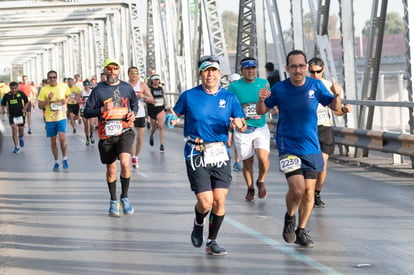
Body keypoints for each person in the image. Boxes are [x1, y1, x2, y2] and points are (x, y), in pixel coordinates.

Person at [256, 49, 342, 247]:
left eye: (301, 66)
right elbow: (262, 111)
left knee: (309, 193)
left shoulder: (316, 85)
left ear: (306, 67)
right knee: (297, 189)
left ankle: (301, 230)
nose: (298, 70)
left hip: (311, 146)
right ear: (287, 68)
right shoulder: (279, 89)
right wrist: (261, 99)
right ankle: (290, 216)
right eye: (293, 66)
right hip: (288, 145)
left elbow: (335, 107)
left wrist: (337, 96)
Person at [168, 55, 246, 256]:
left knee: (219, 200)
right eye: (206, 70)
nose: (210, 74)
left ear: (219, 74)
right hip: (196, 151)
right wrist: (169, 119)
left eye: (213, 70)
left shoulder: (229, 97)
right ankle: (198, 221)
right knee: (206, 202)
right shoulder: (189, 96)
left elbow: (242, 123)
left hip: (219, 151)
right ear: (200, 73)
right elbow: (174, 114)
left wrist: (239, 124)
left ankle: (212, 241)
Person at [83, 58, 138, 217]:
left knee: (126, 164)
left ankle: (125, 197)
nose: (112, 71)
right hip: (106, 134)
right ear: (105, 71)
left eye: (115, 68)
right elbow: (86, 112)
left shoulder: (126, 88)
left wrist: (132, 113)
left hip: (125, 131)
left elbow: (134, 103)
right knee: (112, 168)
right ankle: (114, 200)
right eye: (109, 69)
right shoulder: (98, 91)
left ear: (119, 71)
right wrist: (102, 109)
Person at [308, 57, 352, 208]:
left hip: (324, 128)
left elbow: (337, 112)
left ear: (323, 70)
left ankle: (316, 194)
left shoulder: (330, 87)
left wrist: (344, 109)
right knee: (310, 165)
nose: (315, 75)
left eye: (318, 72)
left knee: (322, 165)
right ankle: (308, 192)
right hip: (308, 129)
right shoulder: (303, 86)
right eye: (311, 72)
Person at [227, 57, 270, 202]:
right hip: (243, 129)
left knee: (263, 159)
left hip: (260, 127)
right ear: (242, 70)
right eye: (247, 68)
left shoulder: (264, 84)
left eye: (253, 68)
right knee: (248, 162)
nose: (251, 71)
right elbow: (230, 106)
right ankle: (251, 188)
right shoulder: (234, 87)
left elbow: (268, 104)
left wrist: (262, 108)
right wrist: (237, 119)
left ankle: (261, 181)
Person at [38, 70, 72, 172]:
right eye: (50, 78)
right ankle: (56, 161)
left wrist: (65, 101)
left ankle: (65, 158)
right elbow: (40, 106)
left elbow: (68, 95)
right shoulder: (44, 89)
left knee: (62, 136)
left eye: (54, 77)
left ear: (57, 78)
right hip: (50, 118)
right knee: (53, 141)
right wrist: (48, 99)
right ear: (48, 79)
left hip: (61, 117)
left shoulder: (63, 86)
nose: (52, 79)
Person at [128, 66, 154, 168]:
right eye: (131, 73)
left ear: (138, 74)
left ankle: (136, 156)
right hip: (129, 114)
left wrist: (143, 97)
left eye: (135, 73)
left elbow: (151, 99)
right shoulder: (125, 85)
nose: (134, 75)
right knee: (130, 137)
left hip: (140, 114)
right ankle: (132, 155)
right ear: (128, 74)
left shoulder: (142, 85)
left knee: (140, 138)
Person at [1, 81, 29, 153]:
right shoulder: (7, 95)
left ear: (17, 88)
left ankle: (21, 137)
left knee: (21, 130)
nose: (14, 90)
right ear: (10, 88)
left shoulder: (21, 94)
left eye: (15, 88)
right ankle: (16, 147)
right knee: (14, 128)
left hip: (20, 115)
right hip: (11, 115)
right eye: (12, 88)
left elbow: (27, 102)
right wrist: (3, 110)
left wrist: (25, 108)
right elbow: (3, 104)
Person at [147, 74, 167, 152]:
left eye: (158, 79)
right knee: (154, 127)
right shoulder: (149, 89)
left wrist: (165, 103)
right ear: (152, 81)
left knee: (161, 126)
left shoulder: (161, 88)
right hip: (152, 109)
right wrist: (150, 100)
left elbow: (163, 96)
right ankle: (151, 136)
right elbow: (147, 98)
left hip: (160, 108)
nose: (156, 81)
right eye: (155, 80)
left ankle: (162, 144)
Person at [227, 73, 242, 171]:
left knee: (236, 143)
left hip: (237, 120)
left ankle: (237, 162)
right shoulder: (227, 93)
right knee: (228, 142)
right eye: (233, 82)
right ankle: (226, 158)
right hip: (229, 120)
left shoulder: (242, 92)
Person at [80, 79, 96, 145]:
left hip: (91, 109)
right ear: (83, 85)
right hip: (84, 109)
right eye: (85, 85)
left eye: (88, 85)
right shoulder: (81, 92)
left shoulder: (92, 91)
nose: (87, 86)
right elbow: (77, 101)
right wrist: (83, 101)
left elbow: (96, 99)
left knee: (92, 125)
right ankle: (87, 138)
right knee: (86, 125)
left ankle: (91, 135)